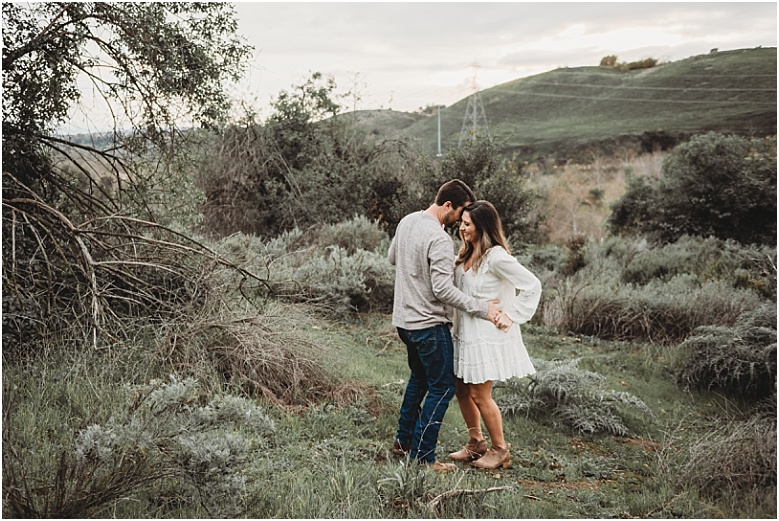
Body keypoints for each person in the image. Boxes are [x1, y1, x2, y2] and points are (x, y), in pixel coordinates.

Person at [388, 179, 502, 472]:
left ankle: (403, 444)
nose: (463, 220)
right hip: (428, 325)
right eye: (462, 211)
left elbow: (392, 258)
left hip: (404, 322)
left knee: (419, 380)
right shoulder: (439, 238)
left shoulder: (408, 220)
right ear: (448, 205)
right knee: (442, 388)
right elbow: (442, 290)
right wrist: (483, 309)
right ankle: (424, 457)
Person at [449, 200, 542, 470]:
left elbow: (532, 285)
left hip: (485, 335)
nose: (462, 228)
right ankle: (476, 442)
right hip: (464, 332)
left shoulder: (496, 257)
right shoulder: (467, 252)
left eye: (468, 224)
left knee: (480, 393)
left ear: (483, 227)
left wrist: (510, 315)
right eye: (462, 223)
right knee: (461, 390)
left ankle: (500, 449)